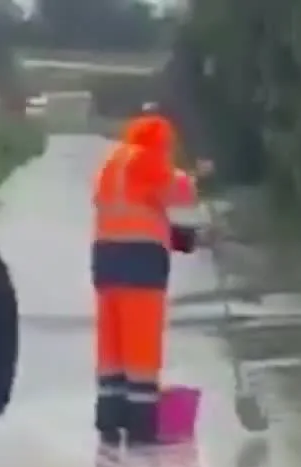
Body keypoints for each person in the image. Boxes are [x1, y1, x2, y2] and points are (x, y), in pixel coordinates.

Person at [91, 113, 209, 446]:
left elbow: (143, 221)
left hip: (107, 262)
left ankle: (110, 421)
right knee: (141, 348)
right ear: (159, 141)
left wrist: (190, 240)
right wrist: (201, 178)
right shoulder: (145, 158)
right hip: (139, 268)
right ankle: (142, 426)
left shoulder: (113, 163)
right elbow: (178, 190)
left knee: (111, 348)